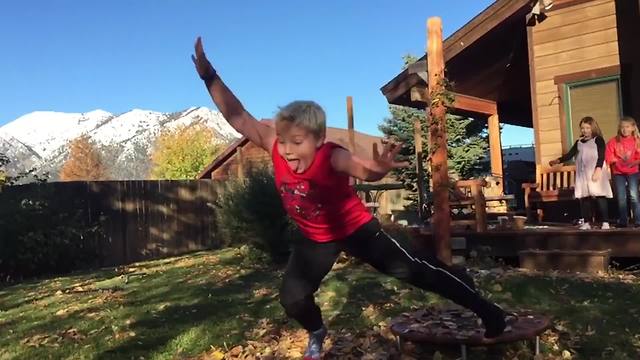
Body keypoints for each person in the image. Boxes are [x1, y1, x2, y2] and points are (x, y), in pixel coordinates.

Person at [191, 36, 508, 360]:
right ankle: (317, 330)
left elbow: (362, 168)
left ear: (316, 140)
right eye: (283, 142)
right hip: (314, 239)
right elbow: (237, 115)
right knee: (292, 299)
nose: (286, 151)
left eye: (296, 142)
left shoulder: (331, 156)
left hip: (357, 231)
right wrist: (209, 76)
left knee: (418, 272)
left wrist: (379, 168)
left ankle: (488, 309)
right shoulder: (275, 145)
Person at [549, 116, 612, 229]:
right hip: (583, 173)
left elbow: (601, 156)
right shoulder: (579, 142)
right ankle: (587, 222)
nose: (585, 130)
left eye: (587, 128)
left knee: (599, 195)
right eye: (583, 128)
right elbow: (570, 154)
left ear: (592, 128)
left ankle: (605, 222)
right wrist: (558, 160)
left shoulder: (598, 140)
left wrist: (598, 169)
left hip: (595, 171)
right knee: (585, 197)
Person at [605, 116, 640, 228]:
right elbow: (608, 156)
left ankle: (637, 220)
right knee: (621, 197)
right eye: (622, 127)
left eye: (627, 127)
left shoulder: (636, 141)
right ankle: (623, 220)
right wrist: (614, 160)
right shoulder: (613, 141)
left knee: (634, 195)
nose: (624, 129)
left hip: (632, 172)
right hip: (618, 173)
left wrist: (634, 163)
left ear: (633, 128)